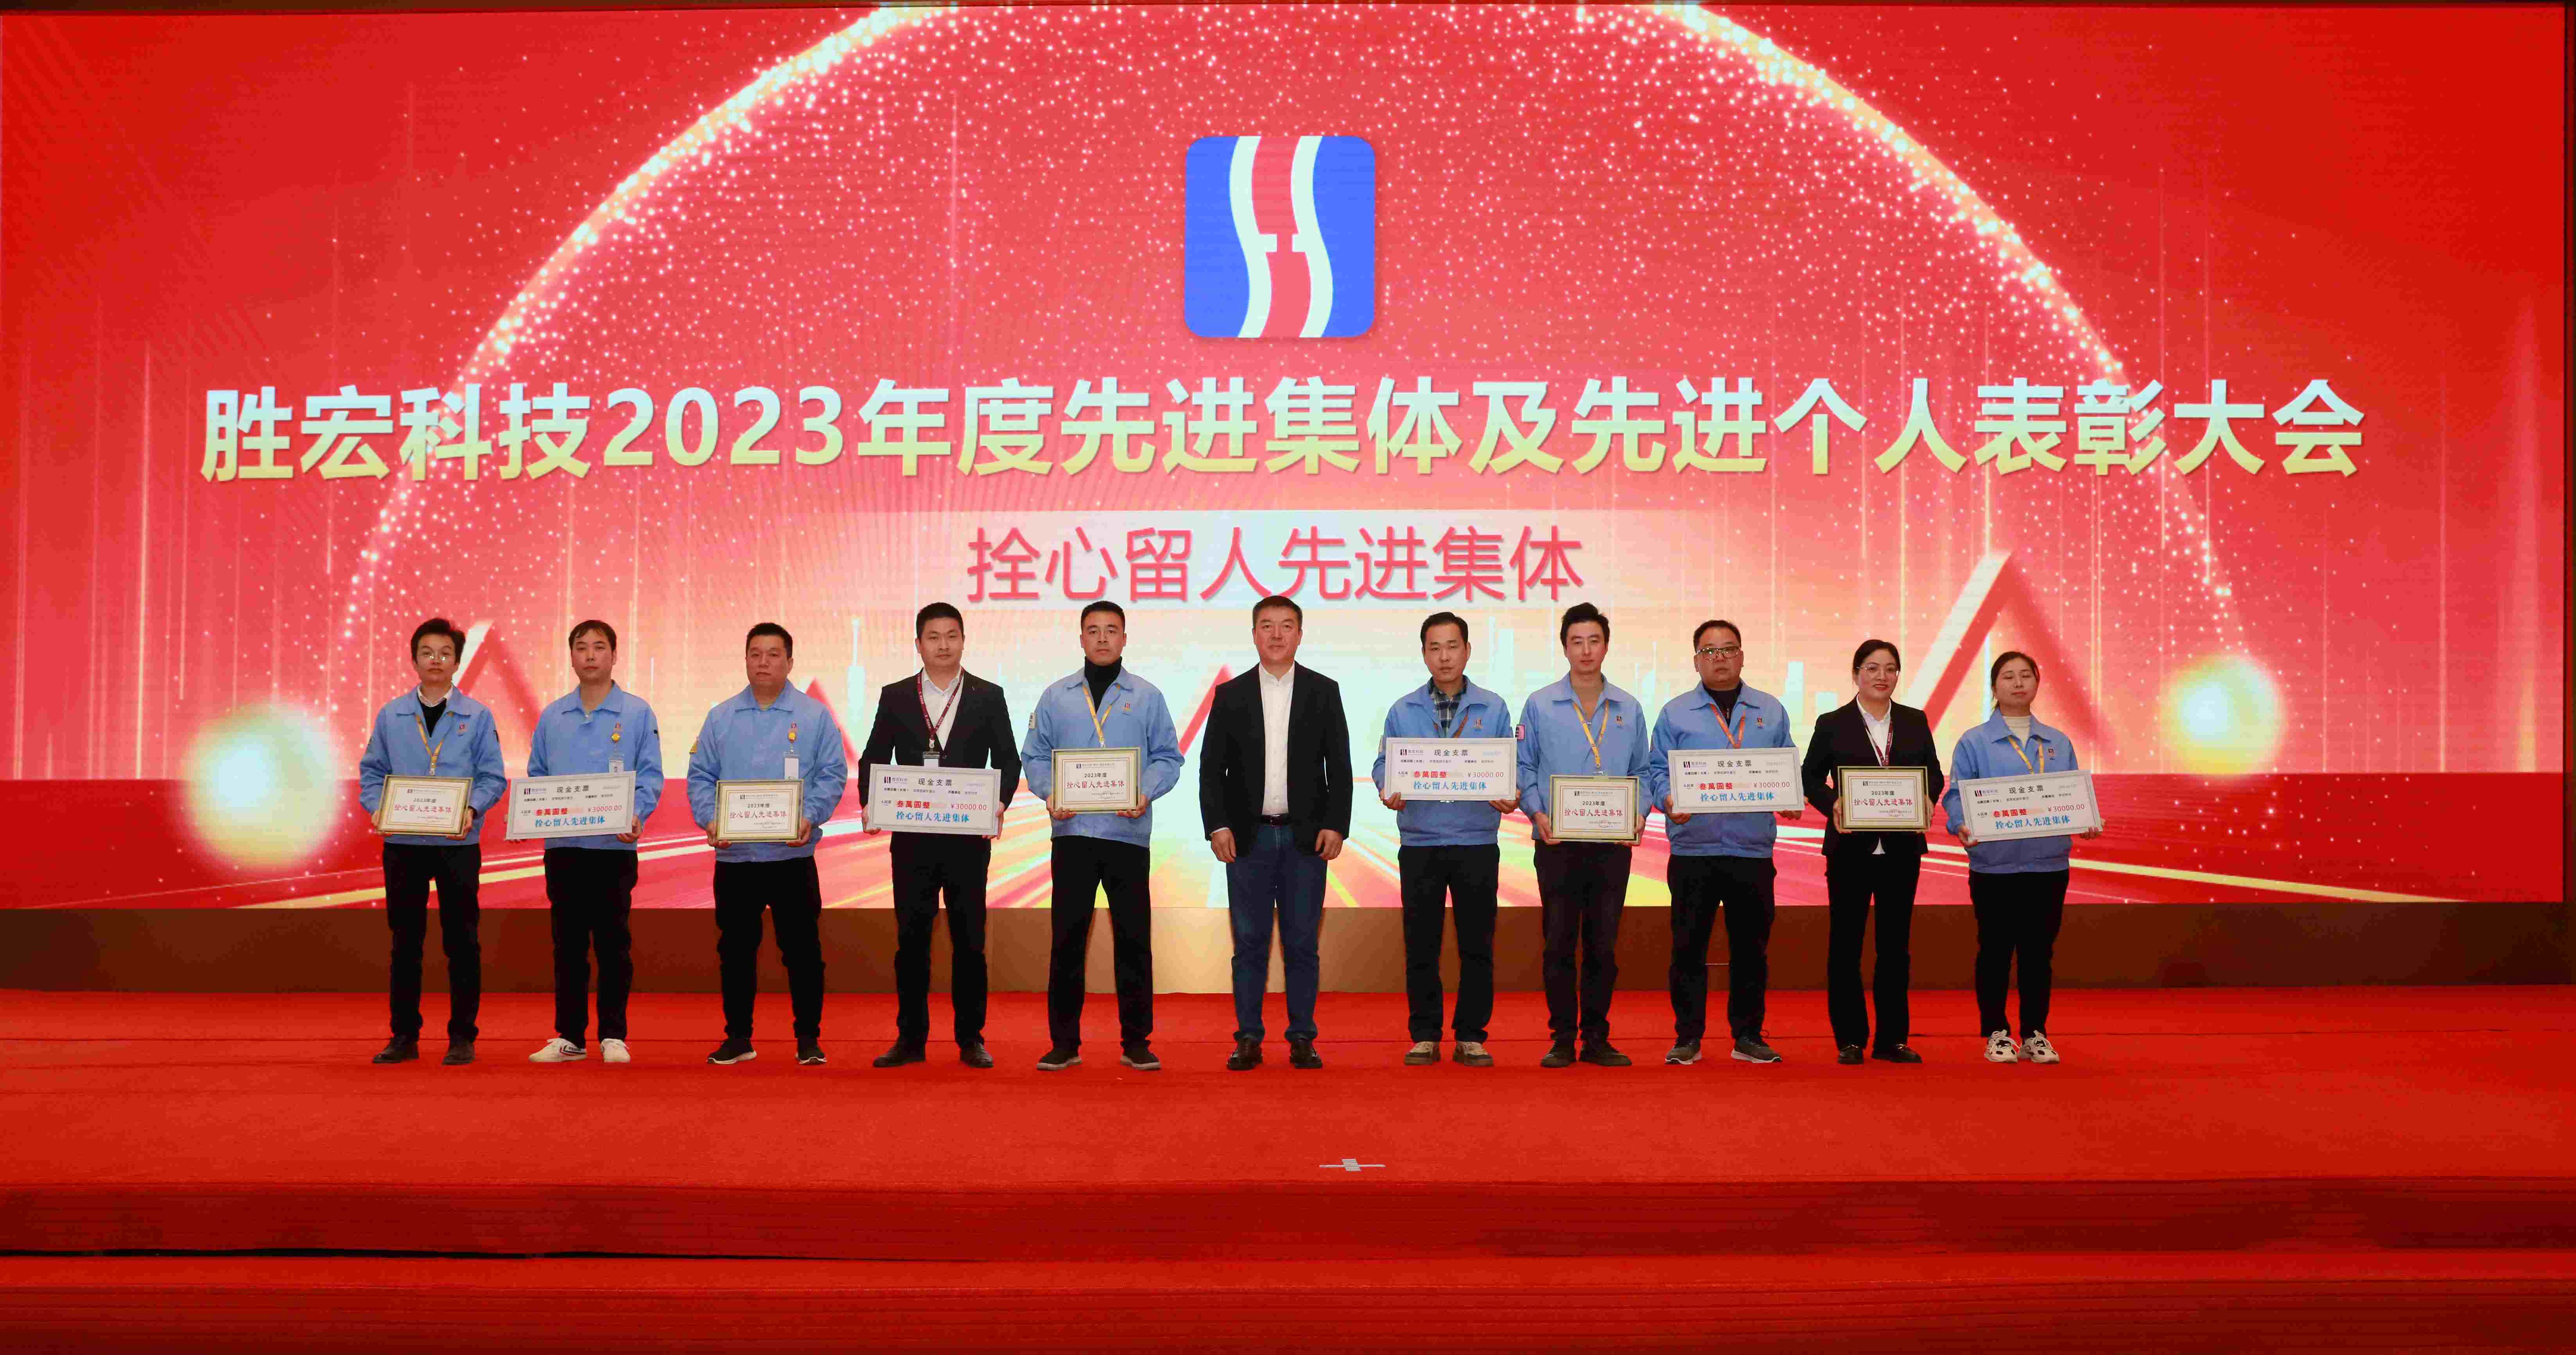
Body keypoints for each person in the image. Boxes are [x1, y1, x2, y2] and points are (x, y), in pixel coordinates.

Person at [1021, 601, 1184, 1072]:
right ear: (1081, 639)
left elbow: (1169, 757)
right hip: (1072, 832)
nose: (1103, 638)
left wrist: (1144, 791)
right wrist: (1051, 792)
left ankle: (1137, 1041)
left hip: (1126, 833)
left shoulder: (1148, 696)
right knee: (1067, 940)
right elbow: (1034, 755)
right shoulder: (1056, 696)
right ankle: (1064, 1043)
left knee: (1133, 940)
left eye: (1112, 630)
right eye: (1093, 630)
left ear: (1125, 638)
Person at [857, 602, 1021, 1070]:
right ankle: (911, 1039)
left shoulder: (988, 696)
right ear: (918, 644)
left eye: (952, 636)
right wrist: (871, 802)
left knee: (970, 941)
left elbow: (1008, 760)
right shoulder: (896, 696)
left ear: (964, 641)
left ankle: (971, 1038)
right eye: (933, 637)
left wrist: (998, 803)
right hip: (913, 840)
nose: (943, 645)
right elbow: (873, 756)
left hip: (968, 840)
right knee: (912, 942)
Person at [1199, 595, 1353, 1072]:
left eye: (1287, 625)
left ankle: (1303, 1036)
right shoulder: (1231, 695)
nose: (1277, 634)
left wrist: (1336, 824)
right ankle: (1248, 1037)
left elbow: (1340, 767)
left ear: (1300, 635)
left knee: (1302, 943)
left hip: (1307, 840)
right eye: (1267, 625)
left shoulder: (1324, 691)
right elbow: (1211, 770)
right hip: (1249, 840)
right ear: (1254, 634)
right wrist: (1217, 825)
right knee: (1249, 944)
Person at [687, 622, 848, 1067]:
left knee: (803, 951)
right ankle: (739, 1038)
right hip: (736, 857)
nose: (764, 663)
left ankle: (808, 1039)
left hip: (791, 856)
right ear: (745, 660)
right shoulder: (721, 717)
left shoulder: (814, 717)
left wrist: (810, 816)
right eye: (756, 654)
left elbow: (833, 774)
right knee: (735, 951)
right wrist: (711, 819)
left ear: (790, 662)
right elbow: (701, 776)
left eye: (774, 655)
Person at [1645, 620, 1801, 1068]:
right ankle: (1688, 1037)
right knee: (1688, 948)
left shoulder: (1770, 710)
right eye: (1709, 651)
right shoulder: (1675, 713)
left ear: (1742, 656)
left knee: (1751, 950)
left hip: (1751, 850)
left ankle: (1748, 1035)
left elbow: (1786, 765)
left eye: (1728, 649)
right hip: (1693, 850)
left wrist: (1789, 796)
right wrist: (1668, 799)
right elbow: (1657, 770)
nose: (1720, 658)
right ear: (1696, 660)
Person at [355, 617, 507, 1066]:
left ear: (457, 662)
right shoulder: (392, 715)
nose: (436, 660)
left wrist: (472, 809)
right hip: (404, 844)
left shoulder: (478, 716)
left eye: (445, 653)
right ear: (414, 660)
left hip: (458, 843)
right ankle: (404, 1035)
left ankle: (462, 1036)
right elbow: (372, 773)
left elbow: (493, 777)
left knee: (462, 942)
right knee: (406, 942)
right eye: (427, 653)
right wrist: (377, 807)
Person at [1942, 651, 2102, 1066]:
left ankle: (2035, 1034)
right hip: (1993, 865)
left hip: (2048, 863)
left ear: (2037, 683)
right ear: (1994, 687)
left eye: (2026, 676)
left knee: (2038, 953)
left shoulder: (2058, 742)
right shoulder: (1974, 741)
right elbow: (1956, 795)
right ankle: (1997, 1033)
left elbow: (2073, 794)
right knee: (1995, 950)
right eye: (2008, 677)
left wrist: (2086, 818)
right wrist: (1961, 824)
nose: (2018, 683)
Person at [1374, 611, 1516, 1068]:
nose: (1445, 656)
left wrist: (1509, 789)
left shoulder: (1493, 707)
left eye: (1453, 646)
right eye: (1435, 648)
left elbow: (1508, 764)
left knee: (1477, 944)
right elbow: (1384, 763)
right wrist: (1387, 786)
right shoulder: (1403, 709)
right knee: (1422, 944)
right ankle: (1425, 1034)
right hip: (1421, 842)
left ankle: (1472, 1035)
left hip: (1476, 841)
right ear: (1424, 654)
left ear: (1468, 651)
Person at [1515, 602, 1652, 1068]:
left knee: (1603, 945)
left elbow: (1643, 771)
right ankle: (1561, 1038)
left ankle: (1596, 1037)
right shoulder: (1540, 704)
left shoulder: (1629, 707)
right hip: (1557, 843)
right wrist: (1538, 814)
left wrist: (1639, 814)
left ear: (1607, 646)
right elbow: (1525, 766)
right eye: (1577, 641)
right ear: (1565, 647)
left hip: (1611, 845)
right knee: (1558, 943)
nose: (1586, 650)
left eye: (1594, 641)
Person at [525, 620, 664, 1066]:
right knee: (567, 945)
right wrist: (534, 811)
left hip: (613, 849)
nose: (590, 655)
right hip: (564, 848)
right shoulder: (553, 716)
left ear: (614, 656)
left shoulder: (637, 713)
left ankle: (613, 1035)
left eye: (599, 647)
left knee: (612, 944)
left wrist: (636, 814)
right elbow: (538, 775)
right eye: (581, 647)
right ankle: (570, 1036)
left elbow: (650, 775)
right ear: (571, 656)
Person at [1801, 639, 1945, 1065]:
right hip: (1850, 849)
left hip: (1902, 849)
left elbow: (1934, 774)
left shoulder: (1915, 720)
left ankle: (1892, 1040)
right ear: (1856, 674)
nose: (1882, 676)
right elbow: (1810, 778)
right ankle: (1850, 1039)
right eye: (1872, 668)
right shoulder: (1833, 723)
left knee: (1895, 947)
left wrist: (1928, 797)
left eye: (1890, 669)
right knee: (1846, 945)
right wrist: (1834, 804)